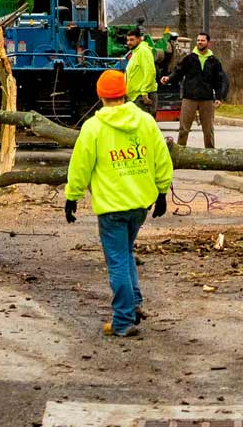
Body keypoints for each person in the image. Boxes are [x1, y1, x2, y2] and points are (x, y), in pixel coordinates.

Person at [65, 70, 172, 337]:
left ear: (100, 95)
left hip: (112, 207)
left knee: (117, 261)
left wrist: (72, 196)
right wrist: (161, 192)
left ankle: (123, 320)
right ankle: (134, 303)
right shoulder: (146, 122)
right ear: (124, 93)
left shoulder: (93, 128)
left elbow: (80, 166)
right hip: (139, 205)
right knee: (125, 254)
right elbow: (161, 158)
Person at [161, 32, 229, 148]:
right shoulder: (189, 58)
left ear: (208, 43)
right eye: (198, 40)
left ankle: (210, 153)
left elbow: (219, 81)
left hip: (206, 99)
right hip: (189, 98)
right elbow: (178, 71)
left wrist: (218, 97)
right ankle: (180, 152)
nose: (199, 42)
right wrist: (168, 78)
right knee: (183, 129)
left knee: (208, 130)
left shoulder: (214, 61)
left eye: (202, 40)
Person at [124, 28, 158, 117]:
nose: (129, 43)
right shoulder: (136, 52)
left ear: (139, 39)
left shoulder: (143, 51)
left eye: (132, 40)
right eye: (127, 40)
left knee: (145, 128)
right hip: (135, 97)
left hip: (142, 97)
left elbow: (150, 72)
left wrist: (144, 92)